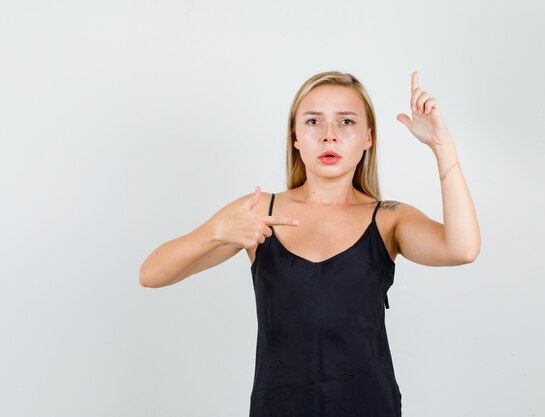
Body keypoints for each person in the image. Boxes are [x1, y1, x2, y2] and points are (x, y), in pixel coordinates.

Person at [139, 70, 480, 416]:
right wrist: (215, 233)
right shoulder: (258, 211)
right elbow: (151, 273)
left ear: (368, 137)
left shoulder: (389, 218)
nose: (329, 136)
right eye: (314, 121)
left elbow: (462, 248)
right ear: (296, 137)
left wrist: (442, 145)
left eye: (346, 121)